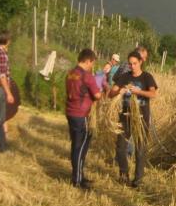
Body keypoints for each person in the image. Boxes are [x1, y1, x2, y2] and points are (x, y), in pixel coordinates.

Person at [108, 49, 158, 187]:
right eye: (130, 64)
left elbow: (153, 94)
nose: (132, 66)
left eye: (135, 63)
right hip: (125, 117)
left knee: (140, 149)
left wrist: (139, 91)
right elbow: (111, 94)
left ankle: (138, 180)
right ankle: (124, 175)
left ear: (140, 62)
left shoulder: (147, 77)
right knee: (120, 148)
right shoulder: (125, 77)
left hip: (141, 118)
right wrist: (119, 91)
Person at [65, 48, 103, 190]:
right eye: (92, 63)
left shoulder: (70, 73)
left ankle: (78, 174)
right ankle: (77, 179)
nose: (92, 66)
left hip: (70, 112)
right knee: (80, 147)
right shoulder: (87, 76)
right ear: (87, 61)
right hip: (81, 114)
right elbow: (97, 95)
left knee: (75, 145)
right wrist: (101, 90)